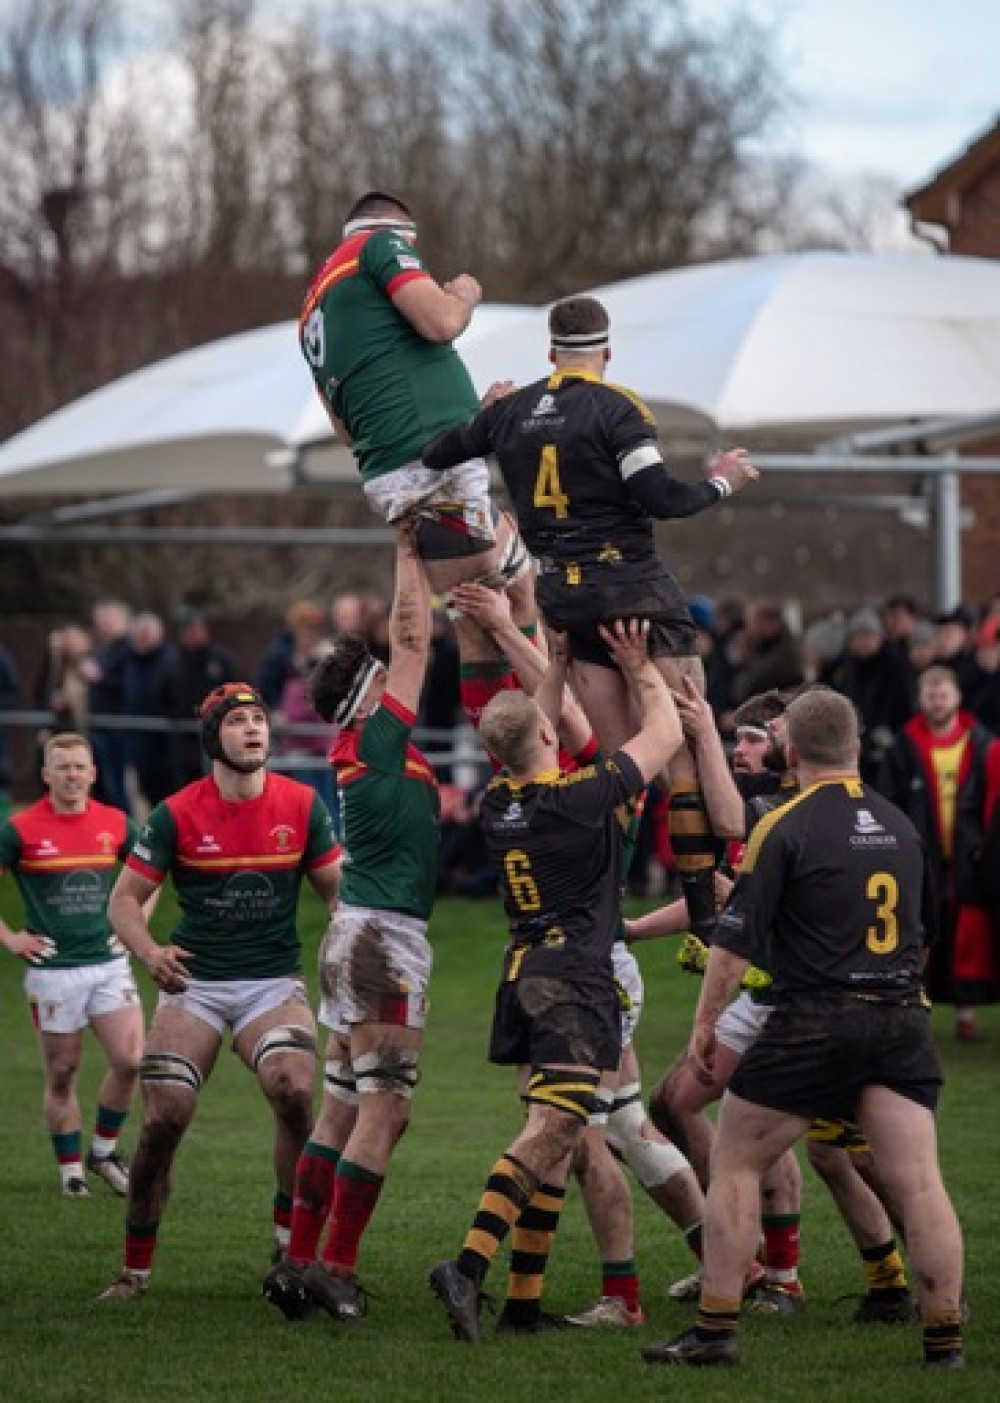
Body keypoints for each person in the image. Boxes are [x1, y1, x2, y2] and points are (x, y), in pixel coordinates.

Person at [643, 688, 965, 1369]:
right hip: (900, 1017)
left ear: (792, 751)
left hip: (815, 1017)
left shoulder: (784, 824)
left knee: (735, 1160)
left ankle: (716, 1328)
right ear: (853, 746)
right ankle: (944, 1344)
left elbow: (732, 945)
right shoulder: (900, 826)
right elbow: (926, 936)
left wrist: (706, 1023)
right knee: (921, 1182)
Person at [423, 294, 756, 942]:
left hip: (565, 600)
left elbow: (441, 453)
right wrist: (723, 481)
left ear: (549, 353)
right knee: (684, 749)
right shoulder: (618, 407)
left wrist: (484, 412)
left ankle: (598, 906)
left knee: (622, 760)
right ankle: (706, 914)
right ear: (605, 353)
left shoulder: (512, 412)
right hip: (634, 587)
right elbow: (661, 497)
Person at [427, 618, 684, 1343]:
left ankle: (522, 1304)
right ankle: (467, 1267)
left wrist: (558, 666)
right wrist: (639, 668)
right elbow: (662, 734)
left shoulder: (498, 803)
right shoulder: (579, 799)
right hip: (573, 978)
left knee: (560, 1134)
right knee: (554, 1128)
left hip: (523, 973)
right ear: (545, 737)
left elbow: (526, 730)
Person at [99, 683, 342, 1299]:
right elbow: (123, 900)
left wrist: (356, 946)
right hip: (196, 986)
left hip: (271, 985)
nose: (254, 729)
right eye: (238, 721)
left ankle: (288, 1247)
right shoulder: (177, 812)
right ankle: (135, 1269)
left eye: (260, 718)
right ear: (215, 738)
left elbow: (339, 894)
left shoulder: (302, 804)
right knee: (164, 1118)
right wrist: (151, 953)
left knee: (294, 1089)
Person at [262, 526, 440, 1325]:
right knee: (386, 1109)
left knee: (340, 1106)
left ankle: (296, 1261)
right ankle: (335, 1267)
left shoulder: (355, 744)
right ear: (368, 691)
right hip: (382, 941)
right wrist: (412, 548)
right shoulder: (376, 733)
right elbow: (414, 635)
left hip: (355, 932)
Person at [299, 189, 527, 597]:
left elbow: (344, 426)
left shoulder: (314, 304)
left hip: (400, 469)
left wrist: (475, 416)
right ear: (401, 234)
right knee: (514, 598)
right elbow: (442, 322)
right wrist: (464, 295)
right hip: (434, 466)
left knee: (481, 608)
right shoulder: (378, 244)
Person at [0, 732, 144, 1197]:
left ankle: (103, 1152)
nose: (71, 775)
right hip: (53, 971)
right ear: (45, 774)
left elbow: (149, 873)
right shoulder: (18, 829)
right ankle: (70, 1174)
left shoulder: (116, 823)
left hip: (109, 964)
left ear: (93, 773)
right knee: (62, 1072)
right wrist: (12, 939)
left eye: (79, 766)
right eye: (61, 766)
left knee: (131, 1060)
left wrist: (134, 922)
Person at [877, 664, 991, 1035]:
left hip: (969, 854)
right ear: (921, 699)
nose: (938, 701)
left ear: (957, 697)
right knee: (920, 928)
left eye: (944, 694)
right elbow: (888, 801)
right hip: (922, 853)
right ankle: (915, 1006)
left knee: (967, 931)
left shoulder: (981, 744)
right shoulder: (903, 746)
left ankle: (966, 1009)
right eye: (931, 694)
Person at [159, 607, 241, 788]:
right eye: (188, 630)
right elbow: (161, 694)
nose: (193, 634)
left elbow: (238, 689)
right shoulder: (172, 662)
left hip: (218, 734)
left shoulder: (221, 659)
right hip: (183, 739)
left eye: (196, 629)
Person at [86, 599, 131, 812]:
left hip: (119, 728)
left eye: (108, 618)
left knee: (118, 787)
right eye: (100, 619)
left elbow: (128, 686)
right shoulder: (103, 649)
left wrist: (99, 678)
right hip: (101, 726)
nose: (103, 624)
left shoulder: (128, 649)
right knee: (104, 786)